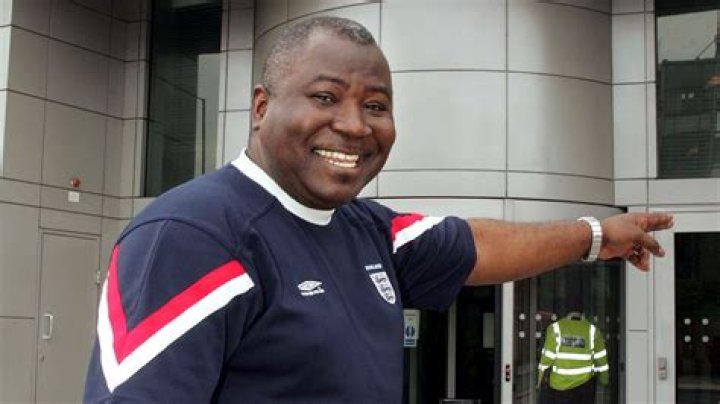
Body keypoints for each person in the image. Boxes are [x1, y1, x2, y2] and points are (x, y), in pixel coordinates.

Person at [83, 16, 673, 403]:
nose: (354, 125)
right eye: (325, 97)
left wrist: (598, 235)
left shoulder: (369, 231)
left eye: (375, 105)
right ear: (261, 107)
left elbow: (478, 244)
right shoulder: (192, 236)